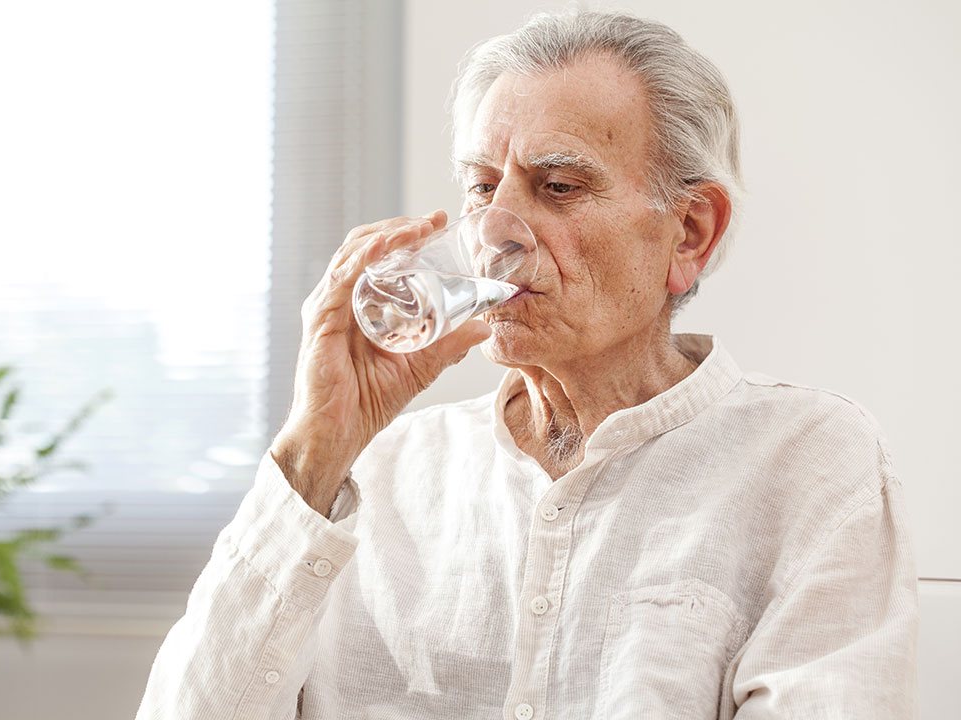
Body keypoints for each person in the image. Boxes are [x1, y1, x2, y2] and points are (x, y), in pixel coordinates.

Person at [136, 10, 918, 719]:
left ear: (689, 234)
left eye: (559, 187)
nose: (496, 234)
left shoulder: (808, 461)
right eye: (482, 187)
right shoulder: (378, 472)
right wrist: (316, 446)